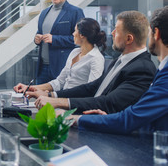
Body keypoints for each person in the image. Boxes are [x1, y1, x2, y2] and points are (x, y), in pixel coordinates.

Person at [26, 11, 156, 114]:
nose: (112, 33)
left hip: (98, 124)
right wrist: (50, 95)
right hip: (86, 112)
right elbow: (91, 87)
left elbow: (108, 103)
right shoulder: (119, 61)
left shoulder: (142, 68)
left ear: (129, 39)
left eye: (116, 30)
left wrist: (59, 102)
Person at [67, 6, 168, 134]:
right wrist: (106, 118)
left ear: (156, 33)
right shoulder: (162, 69)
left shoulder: (160, 73)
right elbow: (147, 118)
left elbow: (131, 118)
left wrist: (76, 119)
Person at [14, 18, 106, 93]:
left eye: (75, 31)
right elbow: (59, 82)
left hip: (75, 104)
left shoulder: (96, 58)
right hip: (63, 100)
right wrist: (29, 88)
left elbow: (91, 91)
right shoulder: (75, 52)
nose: (73, 34)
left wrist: (54, 96)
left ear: (82, 35)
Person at [34, 0, 85, 84]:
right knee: (41, 99)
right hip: (42, 67)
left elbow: (81, 39)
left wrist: (54, 39)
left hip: (61, 67)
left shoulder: (75, 12)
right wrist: (36, 39)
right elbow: (40, 31)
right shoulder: (44, 13)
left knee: (56, 99)